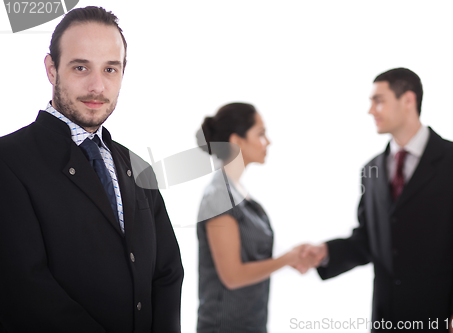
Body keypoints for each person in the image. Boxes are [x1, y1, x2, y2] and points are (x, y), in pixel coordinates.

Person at [0, 7, 183, 333]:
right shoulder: (7, 161)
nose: (97, 86)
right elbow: (24, 289)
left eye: (110, 69)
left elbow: (167, 272)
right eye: (81, 67)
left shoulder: (137, 168)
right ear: (52, 69)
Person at [301, 68, 453, 332]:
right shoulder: (371, 170)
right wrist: (326, 252)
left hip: (441, 318)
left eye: (378, 100)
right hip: (386, 319)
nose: (371, 110)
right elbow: (368, 240)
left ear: (408, 100)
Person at [196, 102, 313, 333]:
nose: (267, 142)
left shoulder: (238, 193)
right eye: (260, 134)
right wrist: (287, 260)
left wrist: (293, 256)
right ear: (237, 141)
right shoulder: (219, 198)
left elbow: (253, 255)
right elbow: (232, 276)